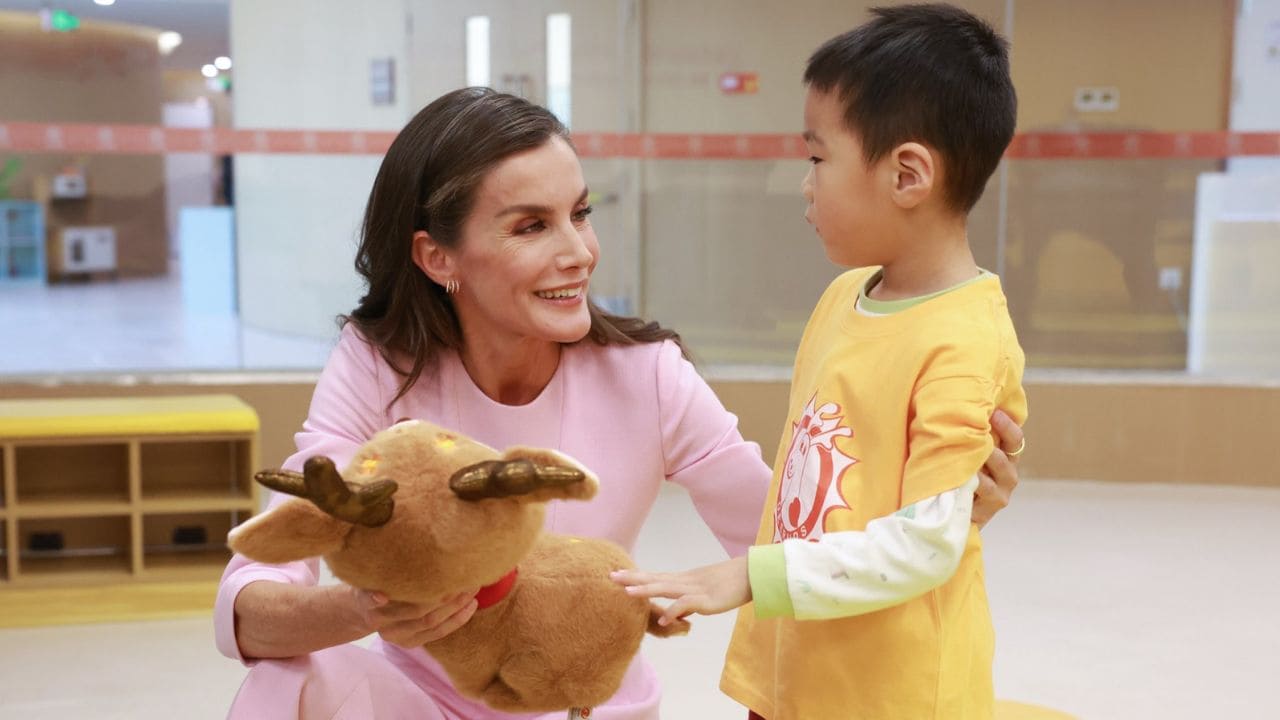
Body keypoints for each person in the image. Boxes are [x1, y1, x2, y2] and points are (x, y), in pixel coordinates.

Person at [214, 86, 1026, 719]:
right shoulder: (375, 367)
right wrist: (369, 609)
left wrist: (937, 514)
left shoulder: (645, 371)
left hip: (585, 699)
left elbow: (777, 533)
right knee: (286, 679)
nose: (578, 252)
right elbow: (248, 606)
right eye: (531, 226)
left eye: (580, 213)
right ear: (437, 256)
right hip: (420, 700)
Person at [612, 5, 1027, 719]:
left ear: (907, 175)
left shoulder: (964, 342)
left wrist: (747, 575)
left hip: (888, 695)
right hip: (798, 672)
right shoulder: (844, 297)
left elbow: (926, 545)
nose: (805, 182)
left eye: (817, 157)